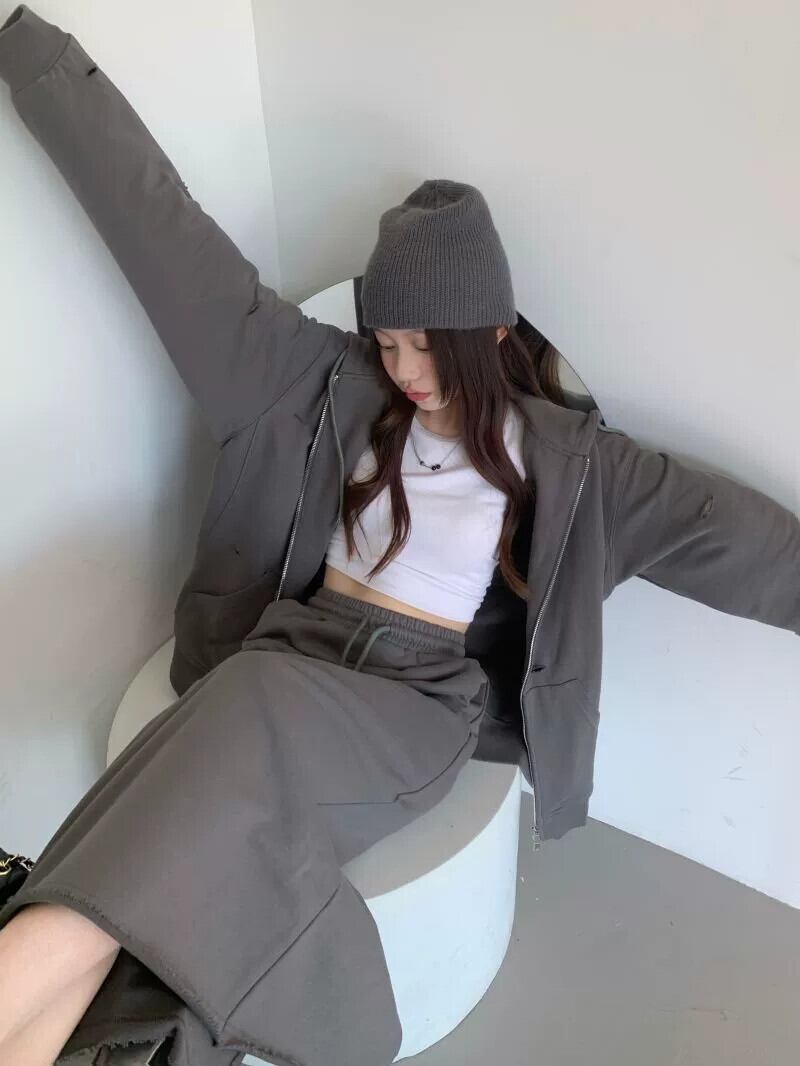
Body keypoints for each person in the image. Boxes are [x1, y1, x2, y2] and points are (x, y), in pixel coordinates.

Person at [1, 6, 798, 1066]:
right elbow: (163, 232)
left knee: (231, 710)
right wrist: (32, 51)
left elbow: (734, 541)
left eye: (428, 344)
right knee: (206, 780)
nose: (405, 369)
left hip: (412, 701)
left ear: (495, 333)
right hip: (295, 648)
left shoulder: (573, 465)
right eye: (385, 339)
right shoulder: (315, 382)